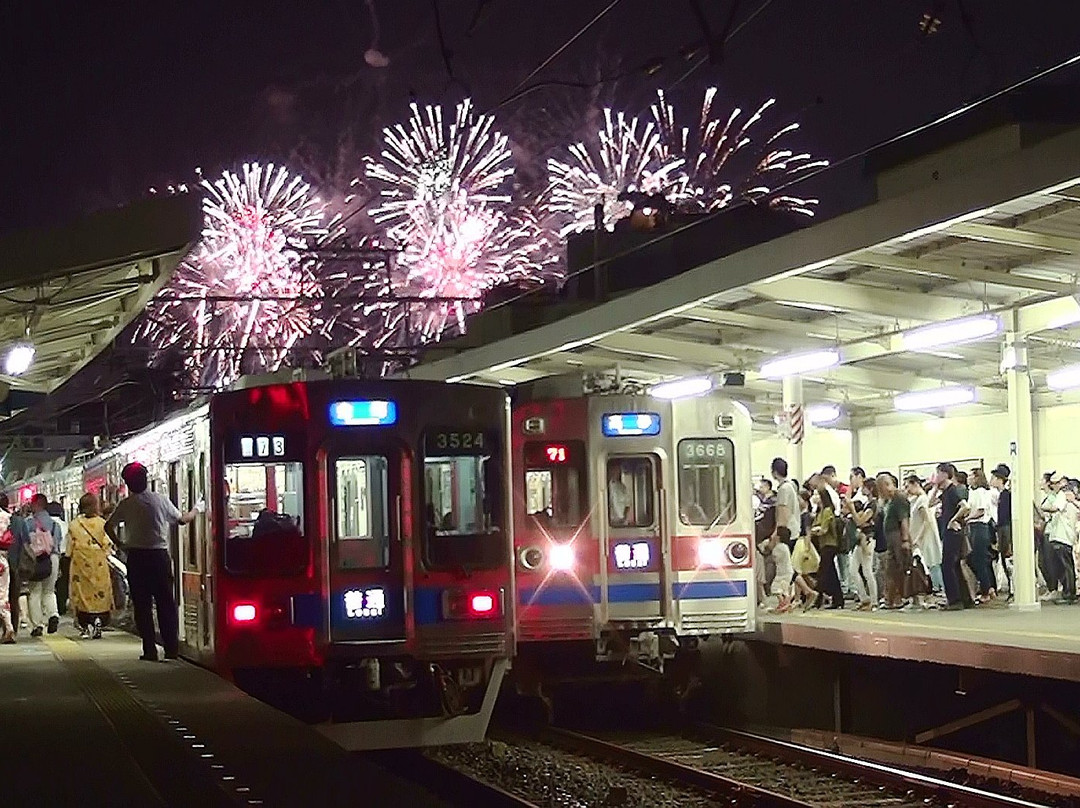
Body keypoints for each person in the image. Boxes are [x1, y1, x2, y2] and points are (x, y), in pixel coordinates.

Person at [105, 462, 197, 661]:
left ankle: (149, 650)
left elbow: (108, 526)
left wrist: (121, 544)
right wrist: (197, 509)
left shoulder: (126, 504)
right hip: (158, 557)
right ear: (146, 480)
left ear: (128, 484)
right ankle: (171, 649)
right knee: (166, 603)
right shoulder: (160, 500)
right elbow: (182, 520)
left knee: (142, 605)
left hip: (136, 558)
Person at [67, 492, 115, 639]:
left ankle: (86, 625)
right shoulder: (102, 524)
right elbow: (108, 545)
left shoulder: (74, 525)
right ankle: (99, 620)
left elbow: (69, 549)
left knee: (81, 595)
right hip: (99, 565)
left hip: (79, 566)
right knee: (101, 594)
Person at [26, 493, 63, 636]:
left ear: (36, 504)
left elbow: (25, 542)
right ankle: (53, 614)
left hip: (35, 559)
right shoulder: (55, 524)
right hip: (52, 558)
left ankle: (37, 625)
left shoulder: (29, 523)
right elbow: (57, 544)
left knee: (34, 592)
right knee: (49, 590)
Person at [935, 462, 970, 610]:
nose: (935, 477)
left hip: (953, 532)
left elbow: (965, 507)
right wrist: (935, 488)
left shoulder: (953, 490)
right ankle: (965, 598)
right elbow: (931, 502)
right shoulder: (945, 493)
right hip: (948, 532)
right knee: (954, 566)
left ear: (944, 474)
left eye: (937, 473)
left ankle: (955, 599)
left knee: (947, 565)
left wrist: (952, 520)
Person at [877, 472, 912, 608]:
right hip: (891, 538)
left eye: (881, 489)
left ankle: (901, 596)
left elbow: (904, 519)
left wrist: (905, 539)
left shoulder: (899, 498)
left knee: (900, 566)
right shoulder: (890, 500)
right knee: (891, 569)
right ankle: (891, 599)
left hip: (898, 536)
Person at [906, 475, 943, 598]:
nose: (907, 490)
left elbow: (926, 521)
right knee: (926, 563)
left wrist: (918, 537)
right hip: (918, 535)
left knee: (931, 561)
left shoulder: (922, 500)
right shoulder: (915, 500)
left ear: (915, 484)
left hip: (925, 535)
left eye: (908, 486)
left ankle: (939, 588)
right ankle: (934, 587)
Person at [809, 482, 844, 609]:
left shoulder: (828, 511)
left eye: (817, 494)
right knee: (831, 573)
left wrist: (813, 531)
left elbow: (824, 529)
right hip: (823, 544)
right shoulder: (820, 511)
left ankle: (817, 598)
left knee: (823, 572)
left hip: (830, 544)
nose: (814, 497)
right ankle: (837, 599)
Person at [965, 468, 997, 602]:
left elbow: (980, 511)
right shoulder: (972, 492)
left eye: (971, 476)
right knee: (972, 559)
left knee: (979, 560)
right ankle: (988, 587)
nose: (968, 478)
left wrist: (967, 518)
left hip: (980, 527)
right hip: (973, 527)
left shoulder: (981, 492)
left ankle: (986, 590)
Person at [0, 494, 20, 643]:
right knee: (4, 596)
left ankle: (8, 627)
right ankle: (9, 627)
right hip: (5, 561)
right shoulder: (11, 519)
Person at [48, 501, 70, 616]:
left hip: (49, 556)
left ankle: (50, 608)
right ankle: (61, 607)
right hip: (65, 557)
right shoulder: (65, 525)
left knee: (49, 585)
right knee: (62, 584)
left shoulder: (45, 523)